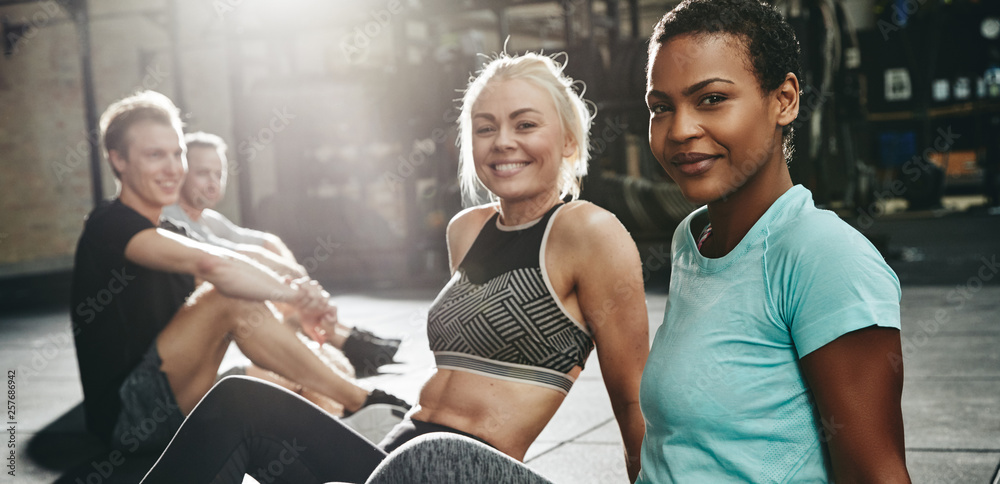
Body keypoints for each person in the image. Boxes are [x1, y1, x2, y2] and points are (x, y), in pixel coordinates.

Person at [141, 51, 649, 484]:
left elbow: (634, 403)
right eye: (485, 128)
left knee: (427, 456)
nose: (502, 142)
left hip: (461, 468)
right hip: (399, 457)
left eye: (526, 124)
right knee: (238, 402)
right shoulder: (467, 230)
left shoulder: (588, 232)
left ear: (566, 140)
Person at [637, 1, 910, 482]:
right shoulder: (692, 239)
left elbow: (877, 475)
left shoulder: (824, 256)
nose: (679, 130)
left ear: (784, 100)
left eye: (712, 99)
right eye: (661, 107)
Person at [70, 90, 409, 456]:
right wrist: (295, 296)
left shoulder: (171, 230)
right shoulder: (108, 225)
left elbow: (241, 255)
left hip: (181, 395)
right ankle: (367, 401)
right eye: (155, 155)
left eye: (177, 153)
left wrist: (304, 298)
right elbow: (214, 266)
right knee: (226, 296)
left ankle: (352, 433)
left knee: (307, 372)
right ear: (118, 160)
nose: (172, 168)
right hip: (130, 417)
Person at [161, 131, 401, 376]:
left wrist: (305, 290)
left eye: (219, 174)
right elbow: (232, 259)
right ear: (180, 173)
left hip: (219, 310)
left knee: (269, 253)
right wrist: (301, 292)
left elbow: (266, 243)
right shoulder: (170, 217)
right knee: (253, 279)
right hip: (186, 327)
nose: (213, 182)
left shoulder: (208, 219)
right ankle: (334, 338)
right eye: (202, 173)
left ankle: (335, 331)